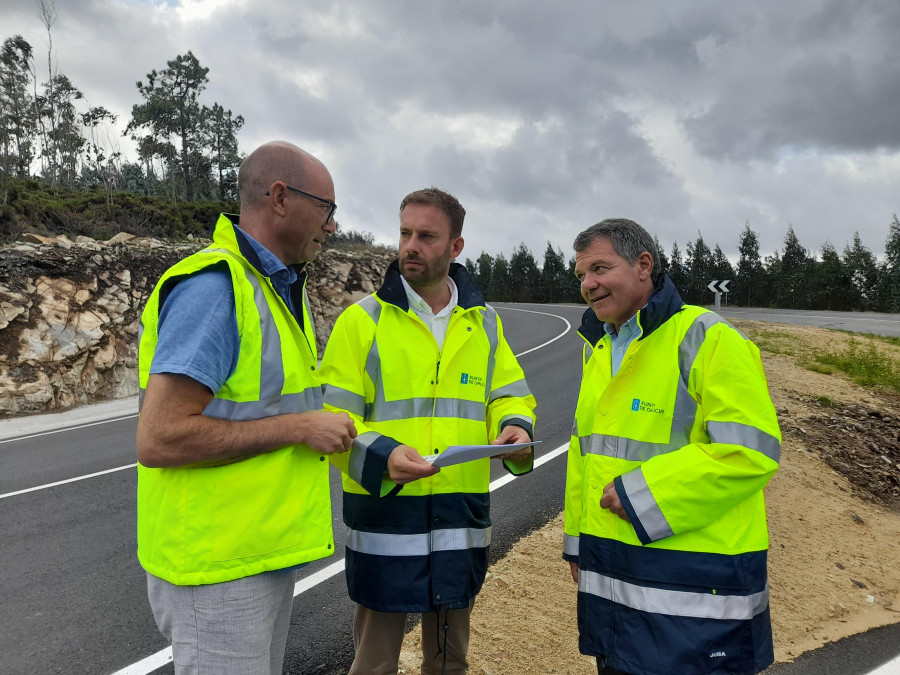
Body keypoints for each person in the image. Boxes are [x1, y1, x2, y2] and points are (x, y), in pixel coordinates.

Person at [135, 140, 358, 674]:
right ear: (280, 197)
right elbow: (160, 437)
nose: (331, 226)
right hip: (216, 568)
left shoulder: (276, 288)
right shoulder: (217, 288)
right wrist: (300, 428)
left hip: (250, 556)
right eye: (327, 209)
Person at [319, 187, 537, 674]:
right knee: (374, 665)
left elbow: (510, 394)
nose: (410, 245)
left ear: (456, 247)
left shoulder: (484, 324)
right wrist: (384, 457)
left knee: (449, 664)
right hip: (386, 522)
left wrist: (515, 428)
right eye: (404, 233)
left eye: (426, 235)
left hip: (459, 519)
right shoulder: (362, 323)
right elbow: (334, 422)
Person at [563, 218, 781, 675]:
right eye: (581, 273)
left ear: (644, 265)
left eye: (600, 268)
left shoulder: (708, 337)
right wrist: (578, 547)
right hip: (615, 580)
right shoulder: (599, 347)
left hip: (697, 593)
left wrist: (642, 494)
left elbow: (750, 451)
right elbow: (586, 454)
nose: (588, 284)